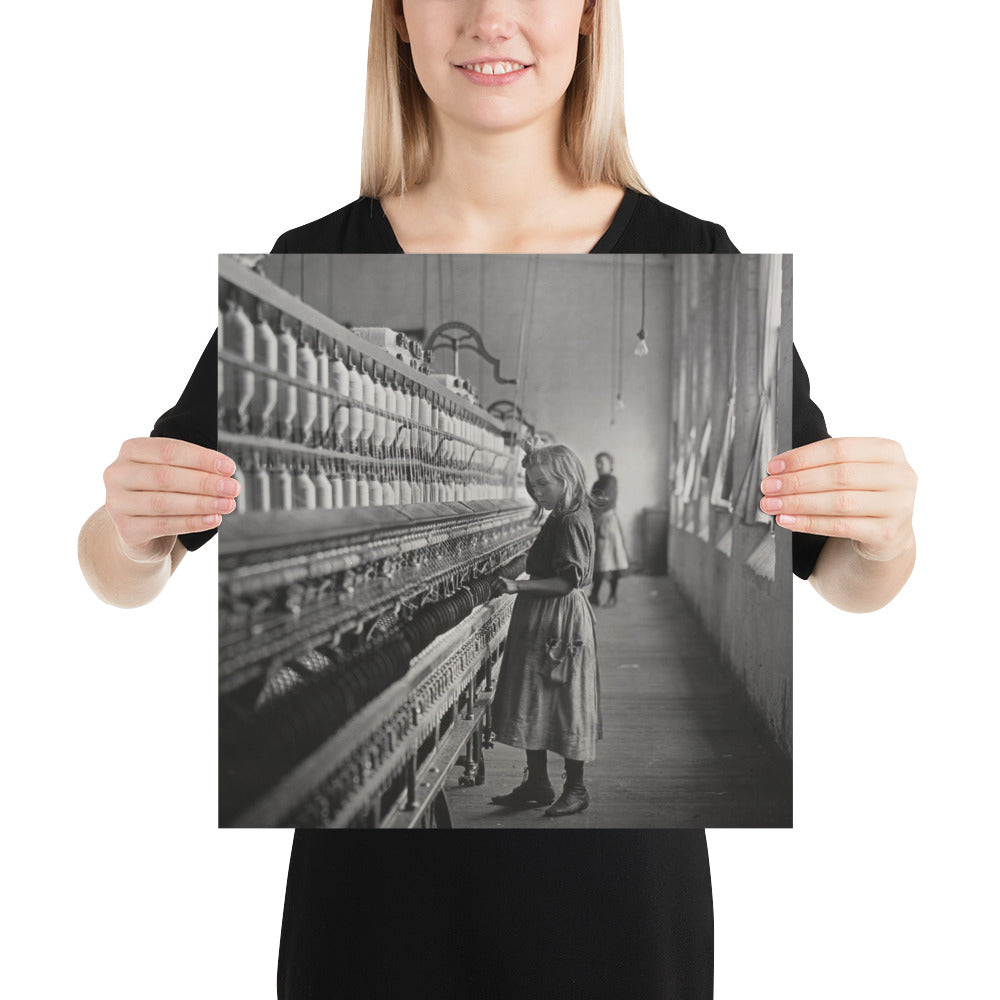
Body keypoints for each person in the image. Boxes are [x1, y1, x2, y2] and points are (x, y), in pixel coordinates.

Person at [78, 2, 918, 997]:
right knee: (537, 710)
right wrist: (130, 534)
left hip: (615, 913)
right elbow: (123, 566)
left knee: (548, 708)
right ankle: (534, 777)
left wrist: (886, 535)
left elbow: (844, 577)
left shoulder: (699, 250)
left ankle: (543, 781)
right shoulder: (296, 261)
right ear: (395, 19)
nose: (491, 18)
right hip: (371, 911)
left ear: (591, 18)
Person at [490, 443, 602, 816]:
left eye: (543, 484)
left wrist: (515, 585)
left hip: (559, 618)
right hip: (542, 617)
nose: (536, 492)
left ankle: (577, 788)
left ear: (566, 480)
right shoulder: (559, 516)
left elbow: (566, 581)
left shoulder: (571, 519)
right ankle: (537, 784)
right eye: (531, 485)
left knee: (566, 700)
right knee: (534, 695)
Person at [589, 451, 629, 607]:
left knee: (611, 560)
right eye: (597, 462)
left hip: (608, 523)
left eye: (602, 462)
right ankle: (595, 595)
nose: (598, 465)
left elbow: (601, 501)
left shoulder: (611, 481)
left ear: (610, 466)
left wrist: (586, 499)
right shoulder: (597, 482)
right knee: (600, 560)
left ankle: (612, 596)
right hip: (600, 522)